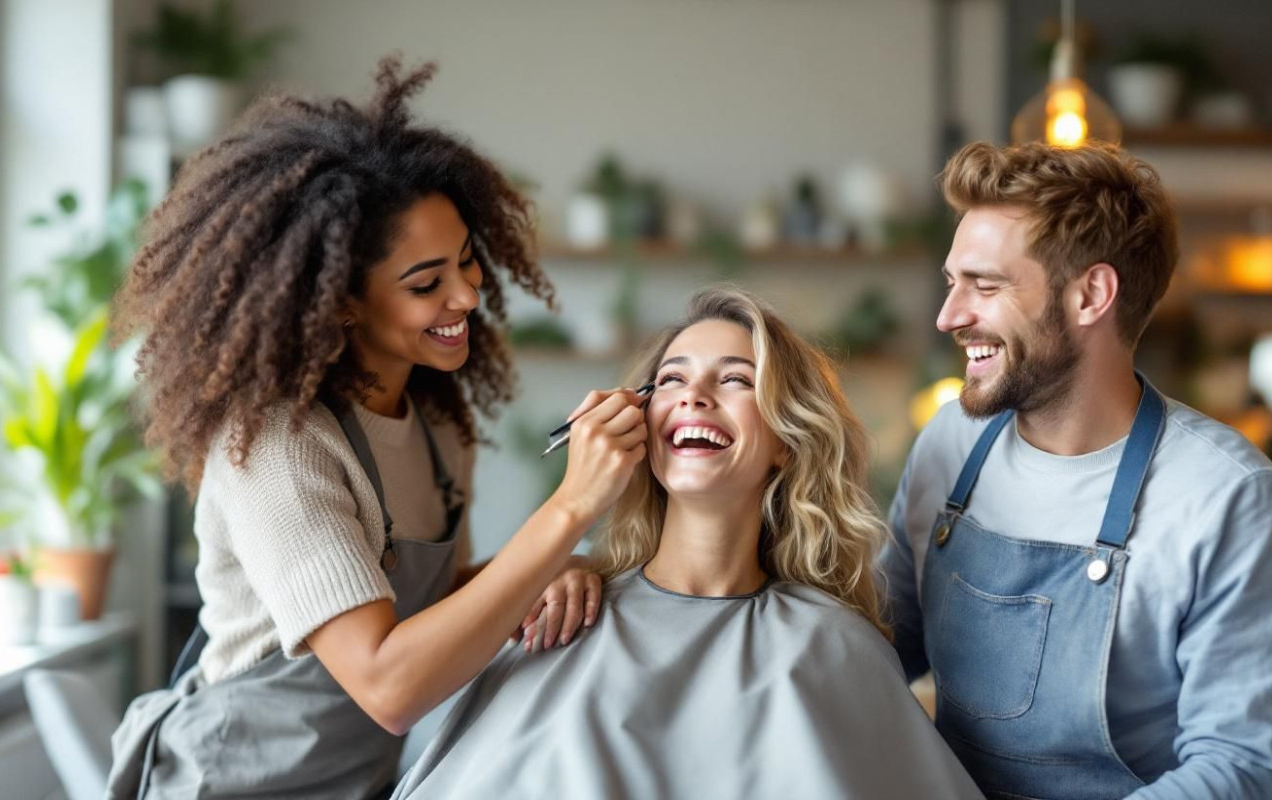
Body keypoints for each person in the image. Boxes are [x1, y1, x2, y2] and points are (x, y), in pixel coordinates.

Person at [105, 56, 647, 798]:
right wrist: (569, 508)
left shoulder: (436, 426)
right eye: (426, 283)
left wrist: (562, 564)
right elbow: (389, 686)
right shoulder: (280, 450)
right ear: (342, 302)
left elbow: (442, 591)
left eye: (465, 262)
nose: (466, 294)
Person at [392, 287, 985, 799]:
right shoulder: (562, 615)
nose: (694, 396)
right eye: (672, 378)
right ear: (639, 425)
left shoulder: (833, 646)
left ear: (787, 440)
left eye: (735, 380)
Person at [882, 141, 1272, 799]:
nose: (949, 317)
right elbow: (879, 650)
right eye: (952, 283)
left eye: (985, 285)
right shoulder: (950, 443)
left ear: (1091, 295)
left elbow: (1241, 770)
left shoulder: (1234, 501)